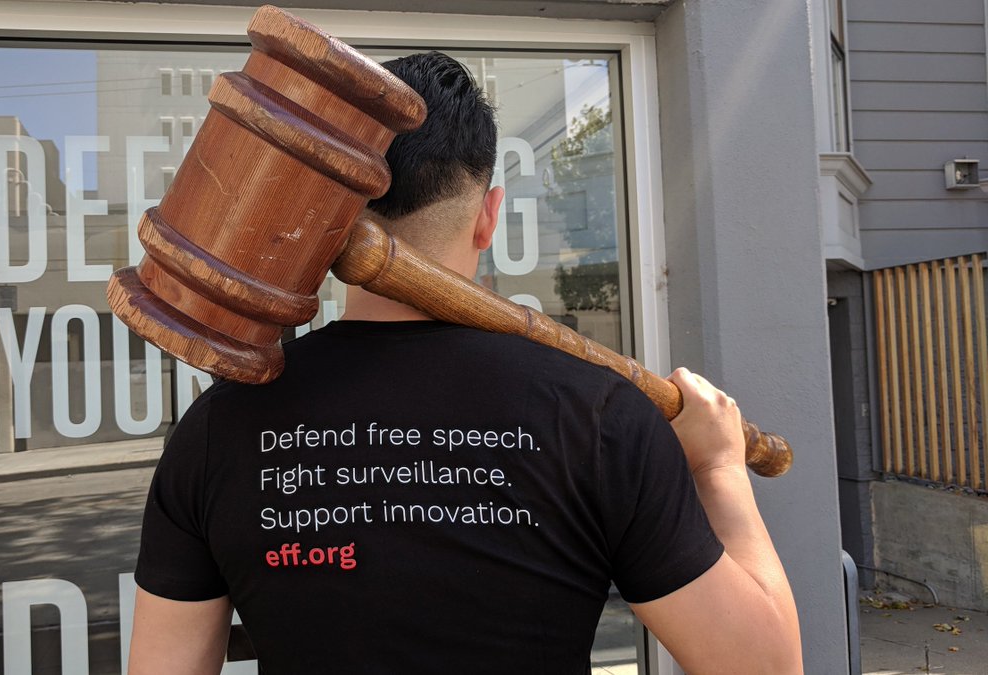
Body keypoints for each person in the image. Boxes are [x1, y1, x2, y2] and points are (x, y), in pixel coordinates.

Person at [128, 52, 802, 674]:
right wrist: (717, 469)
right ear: (488, 218)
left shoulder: (219, 425)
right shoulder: (601, 420)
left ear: (331, 210)